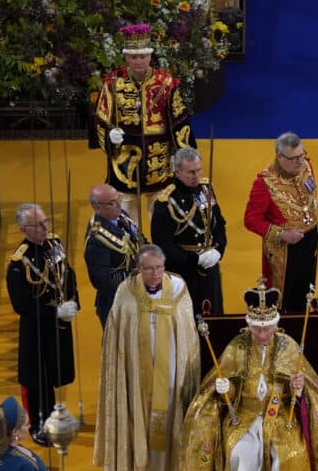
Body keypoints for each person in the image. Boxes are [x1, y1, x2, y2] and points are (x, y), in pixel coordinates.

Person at [174, 281, 318, 471]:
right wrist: (225, 389)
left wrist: (298, 387)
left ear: (275, 325)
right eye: (257, 329)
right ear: (249, 325)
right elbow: (226, 386)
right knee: (241, 452)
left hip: (280, 418)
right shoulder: (237, 347)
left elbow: (307, 388)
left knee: (289, 453)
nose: (263, 335)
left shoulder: (288, 346)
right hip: (244, 416)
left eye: (267, 329)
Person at [93, 244, 202, 471]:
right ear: (139, 269)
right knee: (138, 421)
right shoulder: (126, 293)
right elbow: (116, 339)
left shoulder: (178, 290)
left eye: (158, 268)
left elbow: (188, 335)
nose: (154, 274)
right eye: (148, 269)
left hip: (172, 374)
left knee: (170, 425)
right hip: (136, 376)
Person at [92, 22, 197, 225]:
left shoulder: (165, 82)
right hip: (124, 161)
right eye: (133, 57)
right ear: (126, 57)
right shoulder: (113, 82)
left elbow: (179, 119)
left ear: (150, 56)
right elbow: (101, 117)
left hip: (160, 160)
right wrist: (110, 134)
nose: (138, 61)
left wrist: (182, 154)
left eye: (142, 56)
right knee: (124, 220)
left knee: (164, 219)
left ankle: (161, 256)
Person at [6, 203, 79, 444]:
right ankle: (39, 424)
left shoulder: (54, 244)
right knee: (39, 379)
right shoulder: (19, 262)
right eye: (38, 225)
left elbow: (67, 275)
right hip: (36, 329)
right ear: (23, 229)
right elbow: (21, 304)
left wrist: (73, 301)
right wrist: (55, 313)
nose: (45, 227)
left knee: (58, 371)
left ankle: (55, 416)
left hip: (59, 325)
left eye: (45, 222)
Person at [243, 132, 318, 312]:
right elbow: (251, 220)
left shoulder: (306, 166)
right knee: (284, 301)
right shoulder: (264, 183)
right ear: (279, 157)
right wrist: (282, 234)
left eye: (301, 155)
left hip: (309, 241)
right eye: (294, 159)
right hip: (283, 251)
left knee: (306, 292)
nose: (300, 162)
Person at [151, 147, 227, 317]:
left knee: (214, 315)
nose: (196, 176)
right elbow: (163, 244)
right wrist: (195, 259)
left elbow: (219, 223)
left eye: (199, 170)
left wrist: (218, 250)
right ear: (177, 171)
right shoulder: (165, 201)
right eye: (190, 172)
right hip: (183, 272)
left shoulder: (206, 189)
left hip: (210, 267)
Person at [83, 183, 146, 327]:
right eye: (112, 203)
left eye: (119, 199)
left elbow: (139, 239)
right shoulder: (96, 240)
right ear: (97, 207)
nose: (119, 205)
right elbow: (101, 281)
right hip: (116, 304)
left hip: (137, 295)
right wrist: (135, 276)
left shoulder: (121, 216)